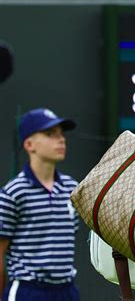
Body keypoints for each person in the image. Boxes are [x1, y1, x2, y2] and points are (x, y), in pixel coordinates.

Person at [0, 108, 80, 301]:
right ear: (29, 144)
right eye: (50, 134)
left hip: (67, 291)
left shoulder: (74, 189)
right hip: (28, 292)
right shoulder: (13, 192)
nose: (61, 140)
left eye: (61, 134)